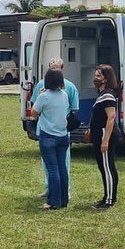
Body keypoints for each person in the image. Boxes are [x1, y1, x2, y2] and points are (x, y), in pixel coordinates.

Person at [30, 58, 79, 199]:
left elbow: (34, 111)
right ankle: (51, 189)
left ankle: (60, 194)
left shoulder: (68, 88)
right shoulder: (56, 91)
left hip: (52, 132)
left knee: (56, 165)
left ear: (62, 70)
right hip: (57, 131)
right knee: (55, 165)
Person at [31, 69, 70, 210]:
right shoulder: (64, 95)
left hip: (48, 136)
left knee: (52, 170)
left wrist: (40, 95)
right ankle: (64, 199)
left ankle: (54, 201)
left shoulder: (44, 96)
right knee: (62, 168)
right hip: (63, 136)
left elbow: (34, 112)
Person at [90, 64, 121, 209]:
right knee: (105, 167)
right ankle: (107, 196)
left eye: (98, 76)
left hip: (104, 134)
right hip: (99, 133)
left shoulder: (108, 95)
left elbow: (111, 118)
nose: (95, 78)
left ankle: (109, 200)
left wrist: (105, 140)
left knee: (107, 168)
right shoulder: (103, 94)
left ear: (105, 79)